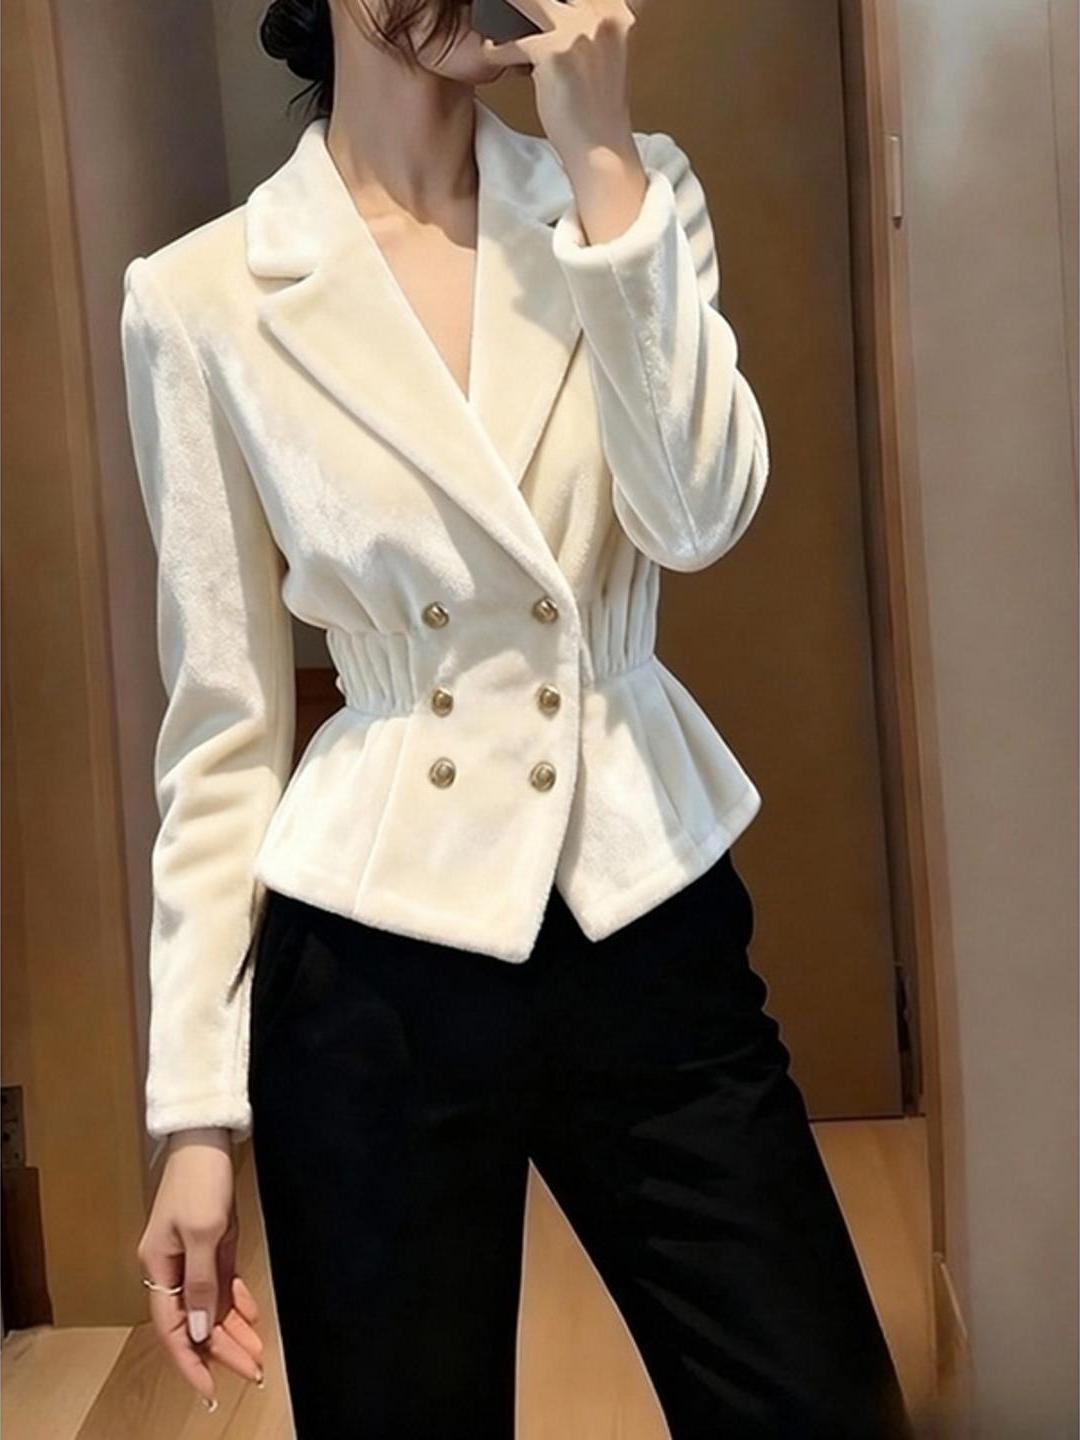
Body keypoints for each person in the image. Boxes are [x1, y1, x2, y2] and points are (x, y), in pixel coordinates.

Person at [121, 0, 915, 1435]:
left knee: (819, 1401)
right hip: (371, 963)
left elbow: (696, 520)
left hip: (639, 905)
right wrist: (194, 1114)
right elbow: (222, 725)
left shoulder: (632, 196)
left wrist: (604, 159)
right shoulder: (202, 296)